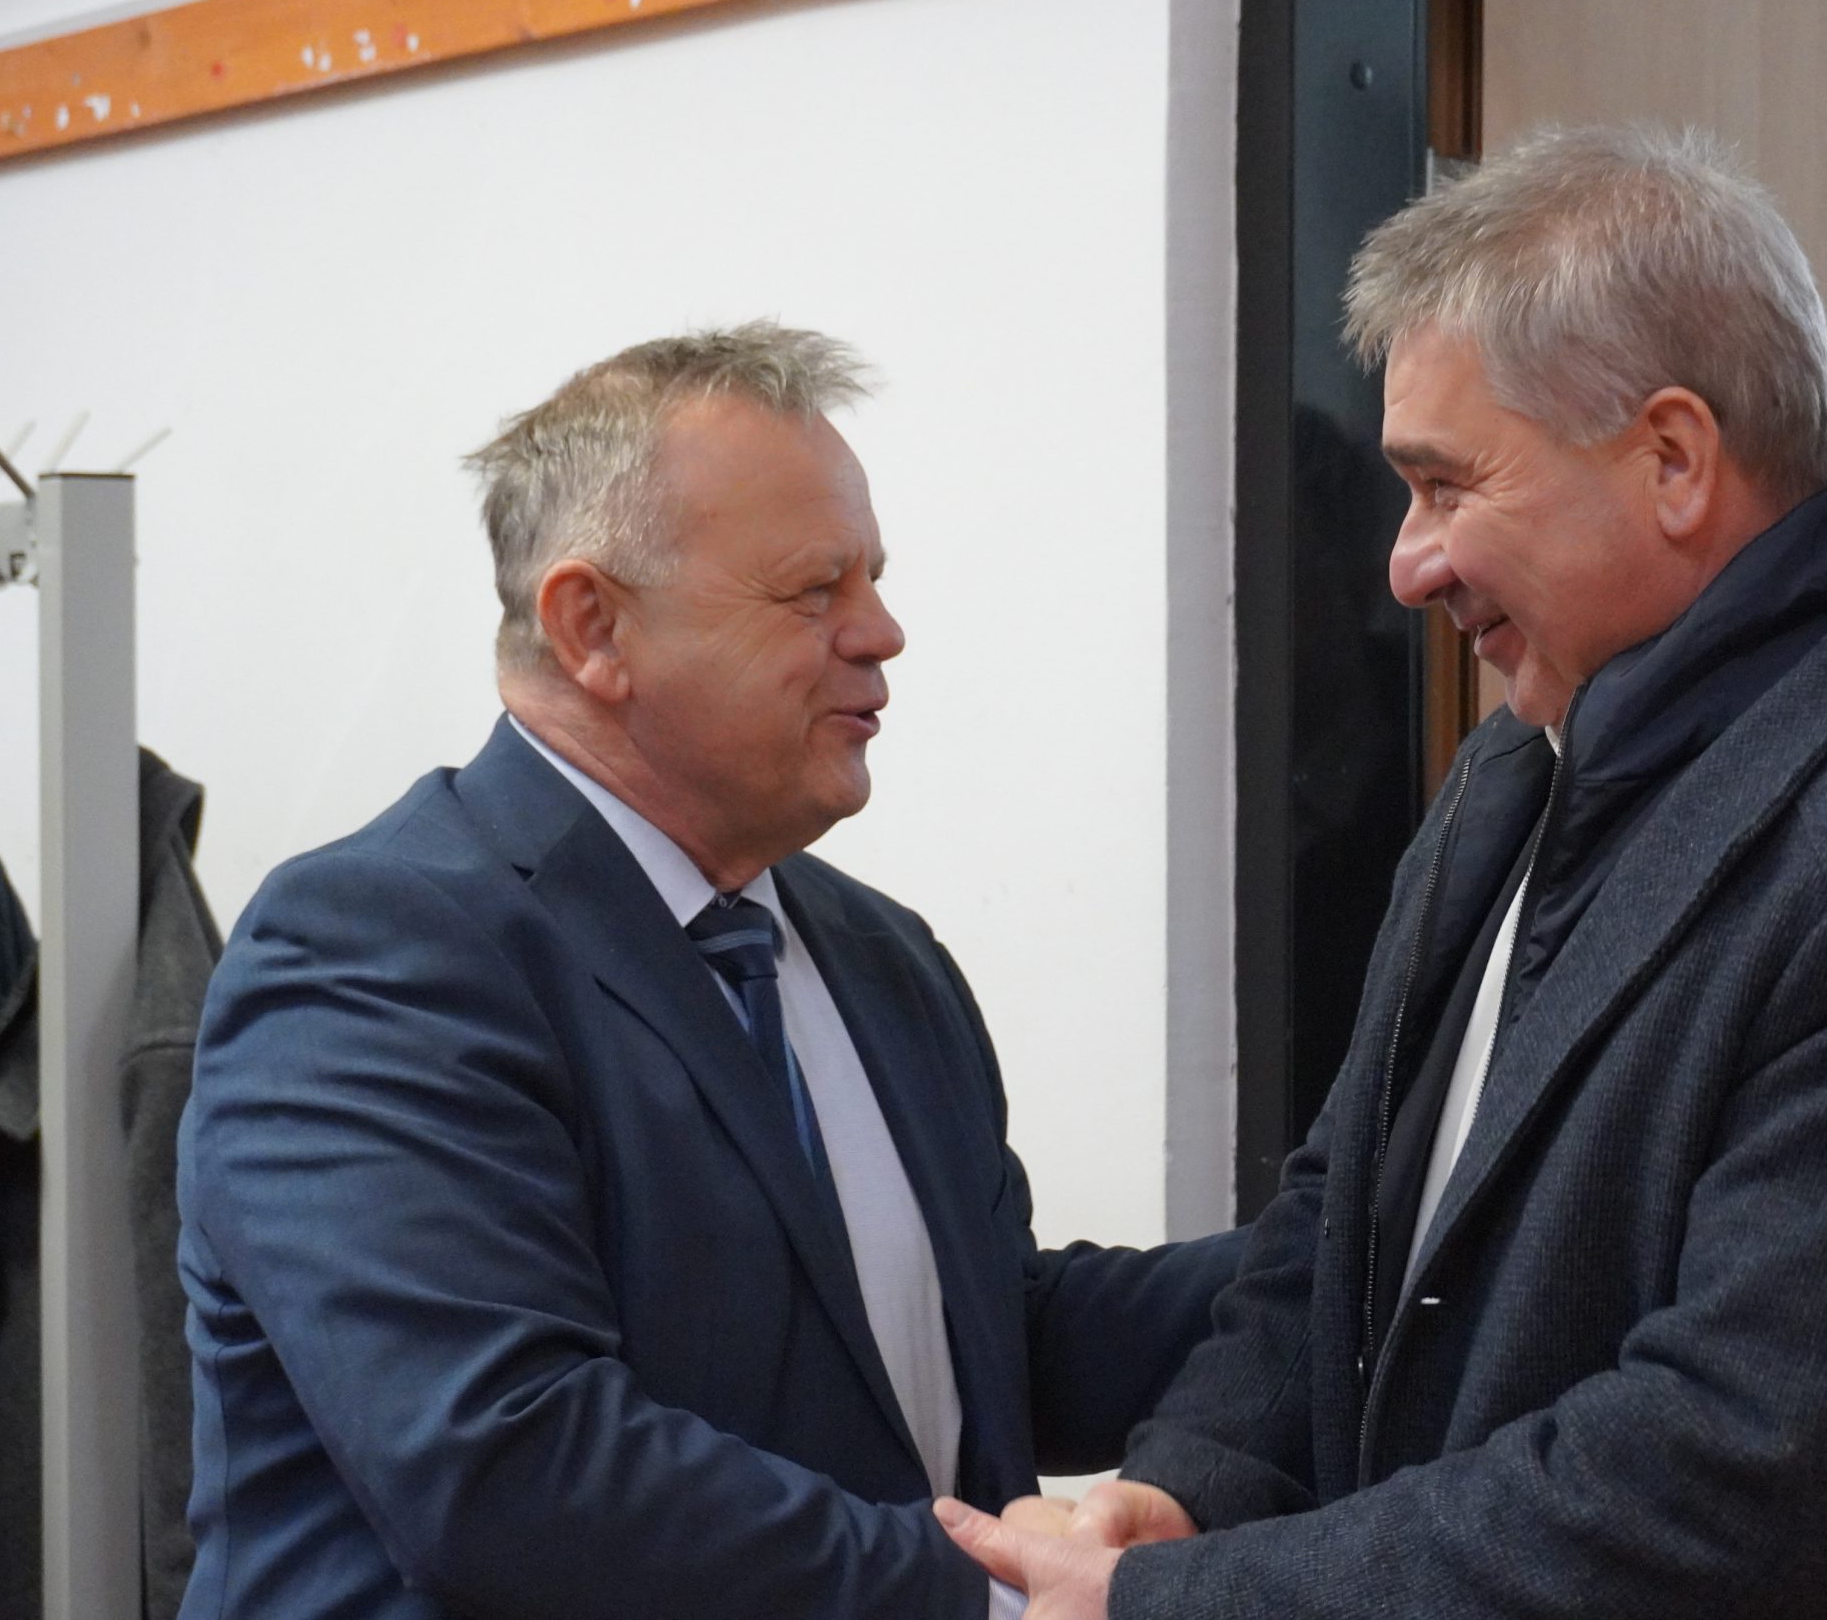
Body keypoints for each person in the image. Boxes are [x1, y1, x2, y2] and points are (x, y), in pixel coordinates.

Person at [938, 124, 1827, 1618]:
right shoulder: (1531, 750)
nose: (1406, 563)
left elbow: (1724, 1482)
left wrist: (1182, 1605)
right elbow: (1345, 1220)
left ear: (1672, 459)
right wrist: (1198, 1482)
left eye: (1446, 486)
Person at [176, 324, 1242, 1620]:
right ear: (593, 626)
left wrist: (1362, 1248)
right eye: (814, 590)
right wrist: (996, 1599)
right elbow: (514, 1472)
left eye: (875, 580)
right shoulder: (376, 954)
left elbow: (976, 1340)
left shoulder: (878, 956)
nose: (883, 632)